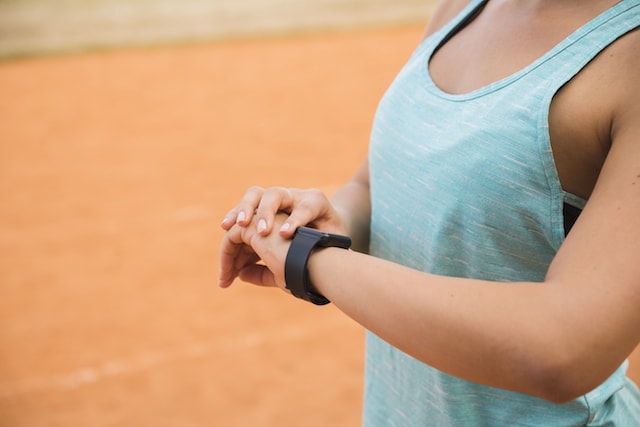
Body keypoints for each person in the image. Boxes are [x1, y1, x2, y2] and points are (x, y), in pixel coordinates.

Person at [219, 0, 640, 424]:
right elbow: (372, 185)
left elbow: (565, 349)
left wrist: (311, 260)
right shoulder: (465, 7)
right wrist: (319, 225)